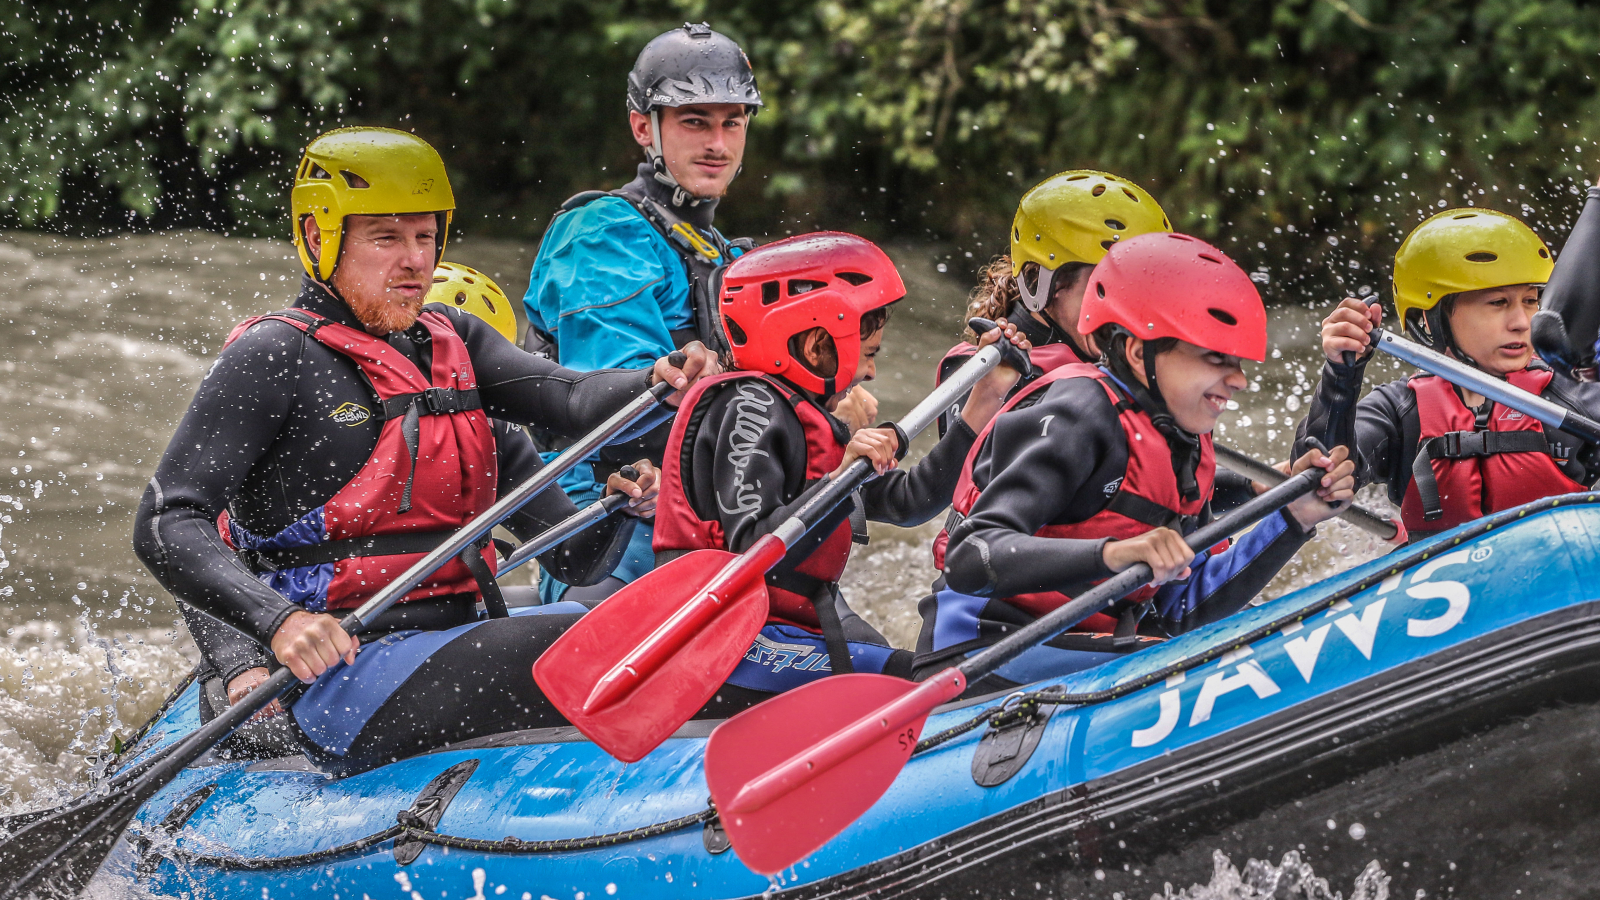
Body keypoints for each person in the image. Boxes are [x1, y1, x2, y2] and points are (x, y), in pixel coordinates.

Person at [135, 126, 717, 766]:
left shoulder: (455, 342)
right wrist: (279, 625)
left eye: (425, 236)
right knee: (594, 639)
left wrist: (655, 381)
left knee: (660, 621)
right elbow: (168, 519)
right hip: (337, 673)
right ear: (318, 237)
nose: (415, 260)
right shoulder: (275, 355)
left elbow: (568, 398)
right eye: (386, 237)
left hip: (453, 639)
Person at [519, 23, 875, 605]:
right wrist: (817, 426)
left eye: (732, 122)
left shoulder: (731, 257)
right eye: (694, 121)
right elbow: (627, 411)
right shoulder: (600, 234)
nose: (718, 142)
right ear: (643, 127)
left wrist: (836, 404)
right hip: (609, 533)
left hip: (715, 521)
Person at [915, 232, 1356, 696]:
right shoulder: (1078, 413)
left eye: (1239, 362)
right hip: (979, 655)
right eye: (1215, 358)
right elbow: (971, 555)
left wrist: (1294, 517)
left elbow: (1181, 608)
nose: (1239, 380)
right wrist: (1114, 554)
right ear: (1135, 352)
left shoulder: (1185, 443)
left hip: (1084, 648)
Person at [653, 232, 1031, 696]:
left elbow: (911, 502)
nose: (871, 372)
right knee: (923, 687)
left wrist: (985, 397)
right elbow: (754, 546)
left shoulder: (803, 414)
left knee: (925, 669)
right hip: (718, 638)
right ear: (815, 346)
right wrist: (838, 475)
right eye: (869, 354)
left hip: (777, 627)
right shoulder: (749, 405)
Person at [1297, 208, 1600, 543]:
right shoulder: (1399, 410)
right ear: (1429, 321)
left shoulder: (1571, 394)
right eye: (1498, 302)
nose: (1522, 321)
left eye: (1530, 301)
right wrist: (1341, 375)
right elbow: (1318, 474)